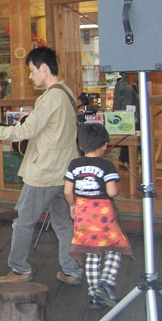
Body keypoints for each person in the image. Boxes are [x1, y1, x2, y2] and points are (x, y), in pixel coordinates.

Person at [0, 46, 82, 284]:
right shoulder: (66, 92)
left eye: (32, 70)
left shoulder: (50, 98)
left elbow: (25, 131)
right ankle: (71, 270)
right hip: (65, 173)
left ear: (44, 68)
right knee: (64, 224)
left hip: (44, 173)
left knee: (23, 222)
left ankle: (19, 269)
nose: (30, 75)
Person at [64, 124, 133, 309]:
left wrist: (72, 205)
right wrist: (117, 188)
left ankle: (94, 296)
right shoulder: (107, 165)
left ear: (81, 146)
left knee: (91, 253)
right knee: (115, 247)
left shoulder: (74, 164)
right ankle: (105, 283)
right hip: (103, 215)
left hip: (83, 213)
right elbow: (111, 192)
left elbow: (67, 190)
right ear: (104, 145)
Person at [112, 73, 138, 169]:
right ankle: (127, 161)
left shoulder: (120, 83)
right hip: (128, 114)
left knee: (126, 138)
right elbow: (129, 101)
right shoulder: (128, 84)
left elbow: (117, 102)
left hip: (122, 114)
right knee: (129, 138)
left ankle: (125, 160)